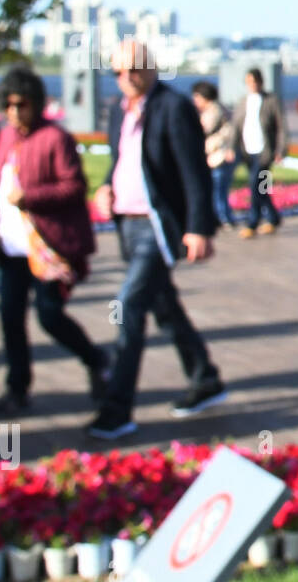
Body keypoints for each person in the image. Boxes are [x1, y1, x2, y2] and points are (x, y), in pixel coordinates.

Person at [91, 40, 226, 439]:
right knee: (164, 306)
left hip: (157, 224)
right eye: (118, 72)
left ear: (151, 67)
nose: (127, 78)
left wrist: (199, 226)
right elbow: (121, 161)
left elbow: (194, 171)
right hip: (127, 223)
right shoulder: (120, 112)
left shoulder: (173, 107)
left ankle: (117, 408)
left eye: (134, 69)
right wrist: (104, 187)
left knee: (129, 305)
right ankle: (204, 378)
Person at [0, 66, 106, 417]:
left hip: (46, 247)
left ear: (35, 103)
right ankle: (17, 388)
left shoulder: (55, 138)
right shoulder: (6, 138)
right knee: (10, 319)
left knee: (50, 316)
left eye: (20, 104)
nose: (14, 112)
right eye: (7, 105)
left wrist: (32, 196)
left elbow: (74, 185)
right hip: (12, 248)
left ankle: (96, 359)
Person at [229, 67, 286, 239]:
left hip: (265, 152)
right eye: (249, 82)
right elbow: (235, 127)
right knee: (262, 187)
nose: (252, 85)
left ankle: (252, 222)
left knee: (256, 184)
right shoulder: (243, 101)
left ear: (261, 82)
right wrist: (232, 148)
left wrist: (280, 150)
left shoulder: (271, 100)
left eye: (254, 81)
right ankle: (273, 217)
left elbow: (281, 127)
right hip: (248, 151)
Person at [192, 81, 237, 230]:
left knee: (217, 189)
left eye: (197, 97)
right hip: (222, 156)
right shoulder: (221, 108)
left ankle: (222, 218)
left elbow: (203, 130)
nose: (195, 101)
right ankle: (224, 217)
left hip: (219, 157)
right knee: (220, 189)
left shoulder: (213, 111)